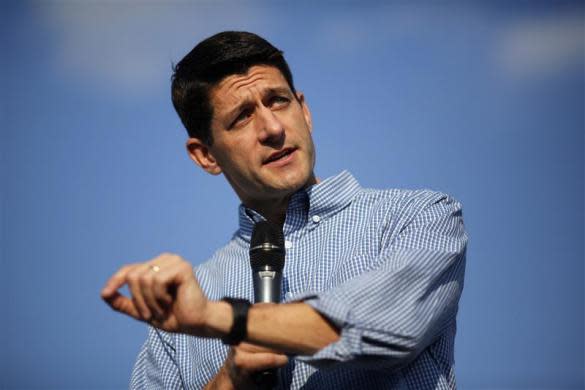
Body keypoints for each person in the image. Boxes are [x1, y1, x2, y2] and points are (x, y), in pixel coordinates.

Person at [101, 31, 467, 389]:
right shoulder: (177, 321)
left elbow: (392, 325)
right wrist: (229, 381)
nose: (273, 128)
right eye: (242, 117)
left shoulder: (418, 217)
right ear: (206, 155)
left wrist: (222, 318)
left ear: (304, 110)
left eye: (277, 100)